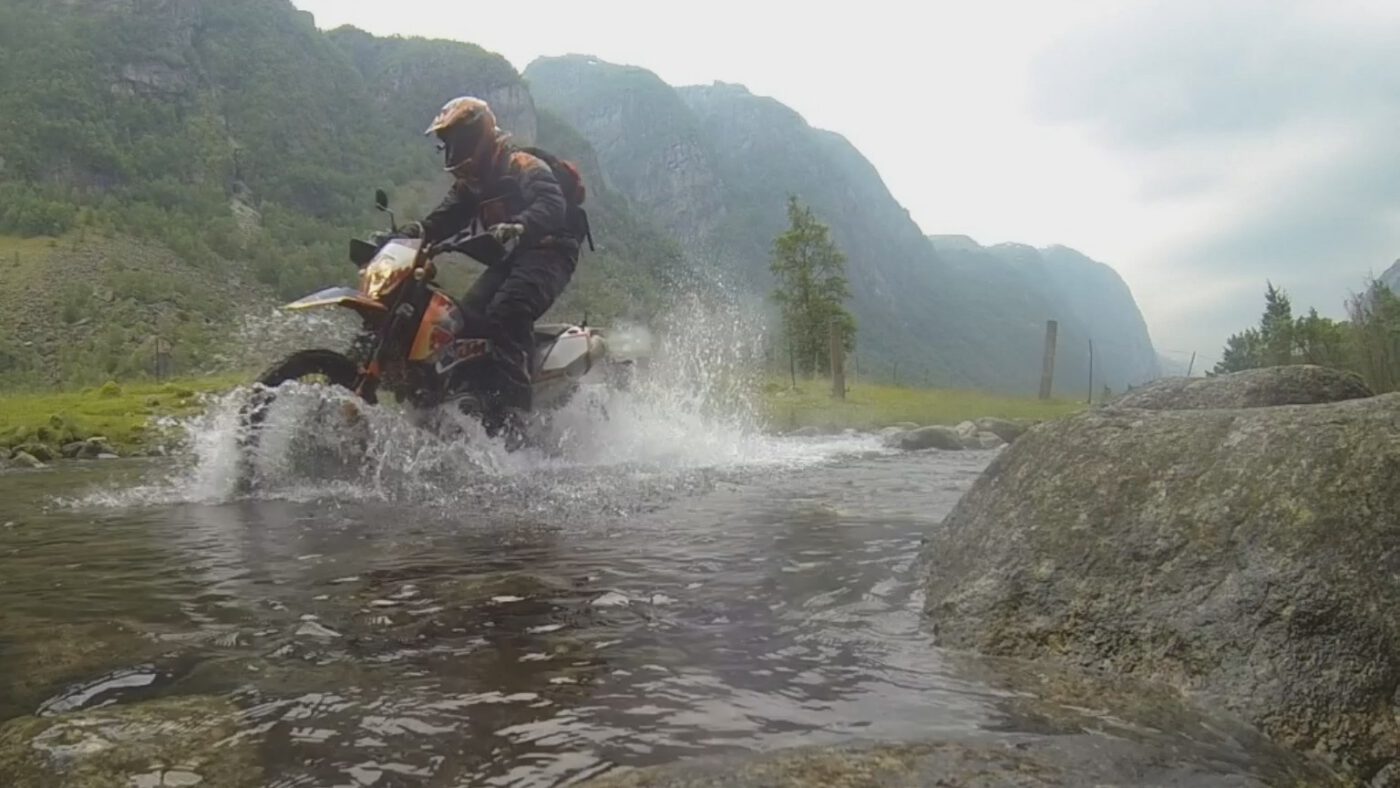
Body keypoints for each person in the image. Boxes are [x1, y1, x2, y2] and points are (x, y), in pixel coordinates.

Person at [402, 96, 580, 424]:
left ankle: (515, 415)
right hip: (516, 253)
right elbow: (440, 221)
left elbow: (553, 204)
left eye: (457, 140)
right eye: (448, 144)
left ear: (477, 136)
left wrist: (521, 223)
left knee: (507, 312)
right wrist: (408, 234)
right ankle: (473, 401)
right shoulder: (470, 185)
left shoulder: (521, 164)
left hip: (552, 248)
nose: (453, 149)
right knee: (462, 321)